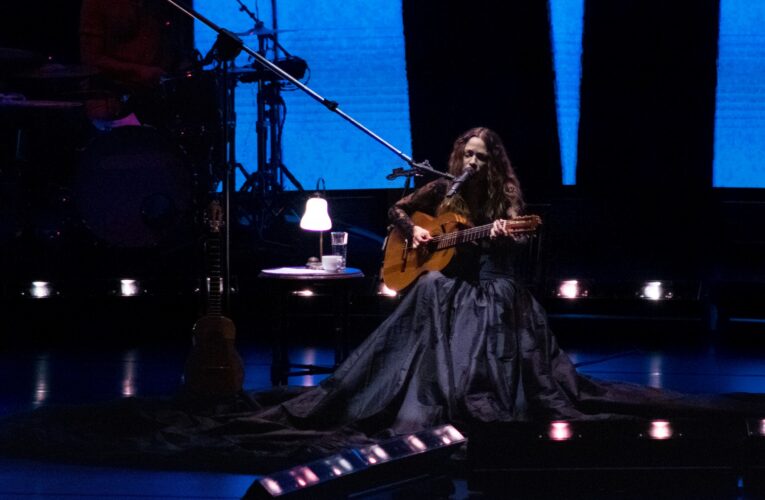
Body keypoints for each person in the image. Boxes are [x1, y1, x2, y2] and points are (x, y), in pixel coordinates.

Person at [78, 0, 194, 124]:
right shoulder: (98, 3)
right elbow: (91, 57)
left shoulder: (160, 5)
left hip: (157, 93)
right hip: (113, 96)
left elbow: (172, 49)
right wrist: (138, 71)